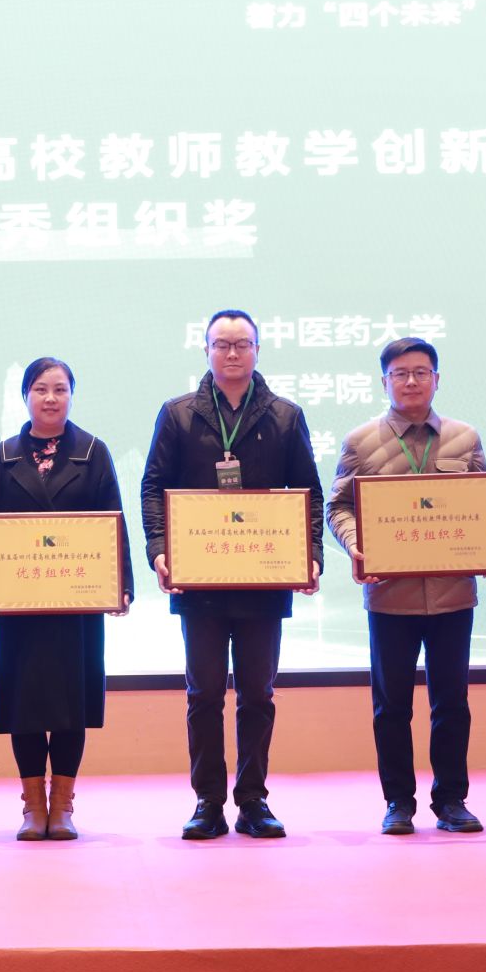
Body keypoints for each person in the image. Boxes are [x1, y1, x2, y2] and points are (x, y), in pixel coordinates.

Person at [140, 309, 322, 841]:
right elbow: (153, 486)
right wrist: (159, 550)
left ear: (258, 350)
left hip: (264, 580)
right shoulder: (178, 415)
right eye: (222, 344)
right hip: (200, 582)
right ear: (206, 351)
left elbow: (308, 493)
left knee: (258, 695)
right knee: (203, 695)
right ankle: (208, 802)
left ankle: (253, 800)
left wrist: (310, 554)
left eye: (243, 344)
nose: (233, 353)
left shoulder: (285, 416)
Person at [327, 337, 486, 836]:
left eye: (421, 372)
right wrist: (357, 545)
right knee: (391, 707)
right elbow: (338, 506)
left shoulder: (465, 437)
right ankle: (398, 801)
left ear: (436, 380)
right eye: (400, 373)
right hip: (390, 597)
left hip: (453, 595)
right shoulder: (361, 441)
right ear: (384, 381)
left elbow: (484, 504)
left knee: (452, 704)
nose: (411, 381)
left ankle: (451, 800)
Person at [0, 357, 133, 840]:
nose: (50, 398)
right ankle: (31, 806)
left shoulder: (94, 452)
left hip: (75, 603)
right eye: (40, 389)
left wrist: (121, 583)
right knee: (23, 704)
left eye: (60, 389)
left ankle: (62, 805)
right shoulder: (1, 457)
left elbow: (113, 519)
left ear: (71, 395)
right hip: (19, 605)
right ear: (26, 395)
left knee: (70, 703)